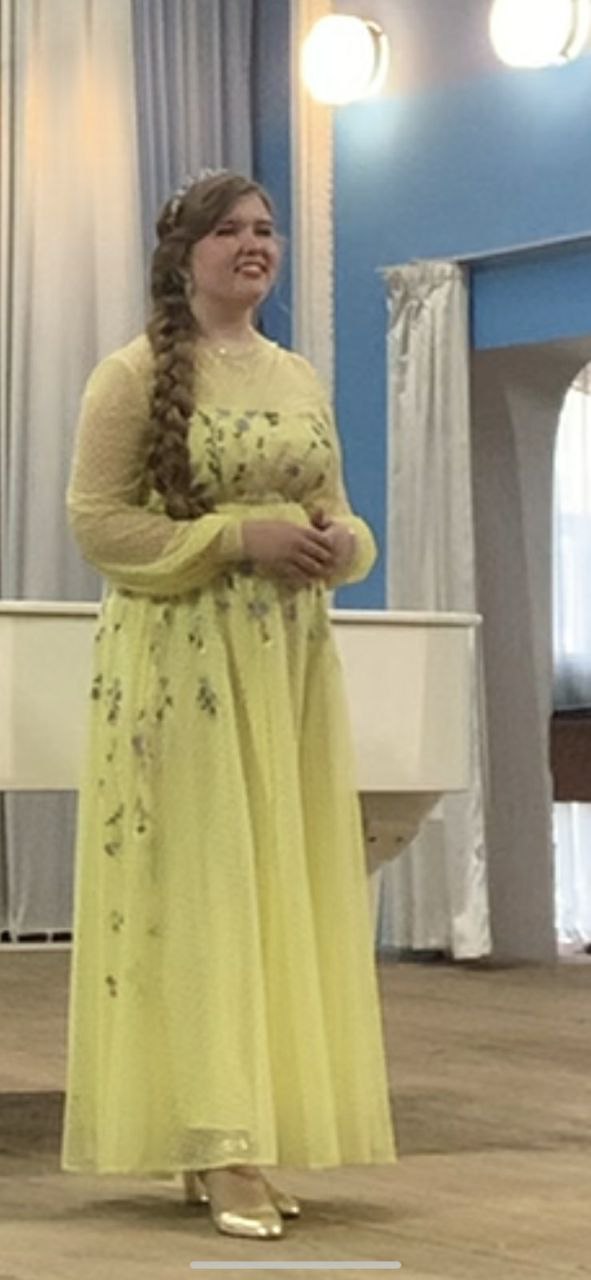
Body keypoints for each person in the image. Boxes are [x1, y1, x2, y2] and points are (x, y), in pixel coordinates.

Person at [62, 171, 395, 1240]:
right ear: (184, 253)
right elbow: (98, 523)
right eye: (230, 231)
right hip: (181, 667)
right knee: (206, 891)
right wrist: (234, 537)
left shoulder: (296, 375)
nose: (255, 244)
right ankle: (219, 1142)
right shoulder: (130, 375)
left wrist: (343, 544)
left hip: (286, 666)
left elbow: (339, 510)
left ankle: (242, 1128)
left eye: (266, 229)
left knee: (270, 889)